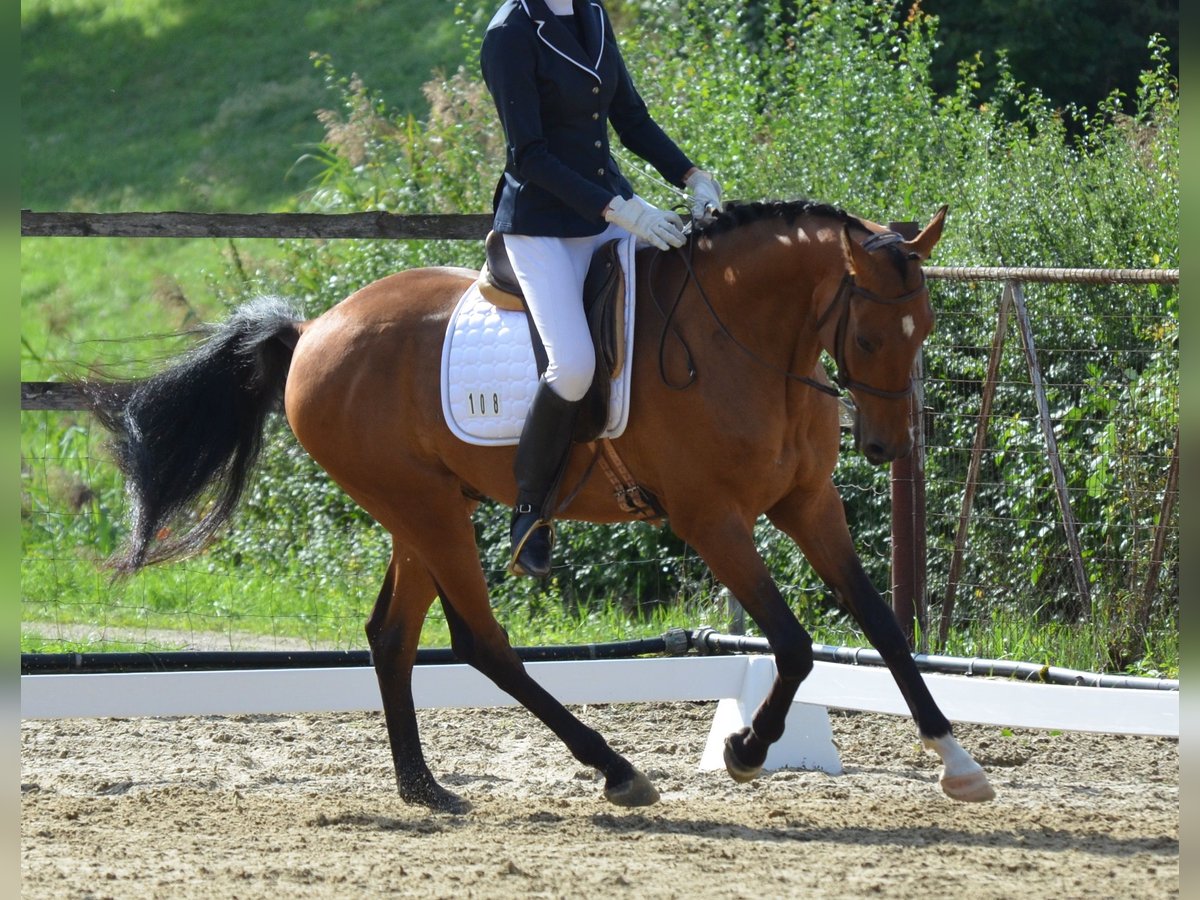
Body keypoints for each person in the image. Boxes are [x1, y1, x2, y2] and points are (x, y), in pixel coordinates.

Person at [481, 0, 721, 578]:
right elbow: (529, 155)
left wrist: (691, 174)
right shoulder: (510, 33)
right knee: (573, 368)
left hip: (607, 213)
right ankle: (531, 513)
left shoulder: (590, 13)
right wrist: (620, 209)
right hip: (543, 228)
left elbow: (629, 117)